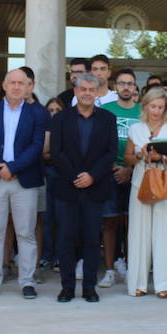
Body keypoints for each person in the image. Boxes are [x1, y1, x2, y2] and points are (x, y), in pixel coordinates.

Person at [0, 67, 49, 299]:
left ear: (29, 87)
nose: (16, 87)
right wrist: (1, 167)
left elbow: (37, 146)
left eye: (21, 83)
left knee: (25, 232)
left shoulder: (38, 113)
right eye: (12, 82)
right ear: (4, 85)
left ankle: (27, 281)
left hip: (23, 179)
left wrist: (13, 168)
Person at [48, 74, 116, 302]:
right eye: (83, 89)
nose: (87, 93)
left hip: (95, 188)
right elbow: (56, 152)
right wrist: (76, 177)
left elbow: (110, 153)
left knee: (91, 240)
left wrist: (92, 177)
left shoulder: (108, 118)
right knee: (66, 239)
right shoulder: (61, 119)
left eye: (91, 89)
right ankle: (67, 287)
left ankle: (89, 287)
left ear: (97, 92)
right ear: (75, 91)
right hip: (67, 188)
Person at [124, 86, 167, 298]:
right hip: (140, 184)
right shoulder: (136, 128)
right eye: (152, 106)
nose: (156, 111)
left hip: (166, 184)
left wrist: (162, 158)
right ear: (145, 106)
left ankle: (163, 285)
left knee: (164, 233)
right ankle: (138, 284)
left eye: (160, 107)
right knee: (138, 233)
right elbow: (127, 158)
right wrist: (140, 155)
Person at [99, 69, 141, 288]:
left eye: (130, 84)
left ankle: (130, 267)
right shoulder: (105, 110)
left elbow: (147, 144)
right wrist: (115, 167)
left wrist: (129, 168)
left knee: (132, 225)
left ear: (135, 88)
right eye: (122, 83)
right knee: (109, 223)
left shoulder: (143, 111)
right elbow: (99, 144)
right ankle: (109, 270)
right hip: (109, 174)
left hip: (136, 174)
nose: (126, 87)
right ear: (115, 87)